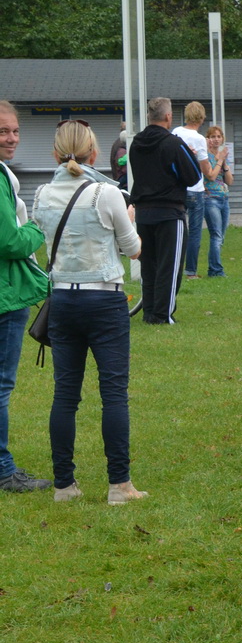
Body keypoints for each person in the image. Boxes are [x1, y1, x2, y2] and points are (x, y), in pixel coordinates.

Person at [32, 120, 147, 504]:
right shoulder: (106, 193)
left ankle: (64, 485)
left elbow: (41, 243)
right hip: (104, 299)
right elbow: (133, 250)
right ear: (94, 154)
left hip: (63, 299)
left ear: (54, 153)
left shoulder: (43, 193)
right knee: (114, 393)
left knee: (65, 395)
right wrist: (129, 222)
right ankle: (119, 485)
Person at [0, 100, 51, 492]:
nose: (12, 138)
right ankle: (3, 470)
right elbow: (11, 241)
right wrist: (37, 227)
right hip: (5, 296)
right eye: (3, 131)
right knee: (1, 386)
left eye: (15, 130)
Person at [128, 97, 203, 324]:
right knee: (169, 266)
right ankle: (162, 315)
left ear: (149, 117)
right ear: (168, 116)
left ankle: (150, 311)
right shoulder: (173, 143)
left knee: (148, 265)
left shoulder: (136, 143)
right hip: (170, 212)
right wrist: (189, 155)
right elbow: (193, 176)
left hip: (143, 212)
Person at [175, 103, 217, 280]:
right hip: (195, 189)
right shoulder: (199, 139)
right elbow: (206, 168)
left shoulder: (175, 132)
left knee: (177, 229)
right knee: (194, 231)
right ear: (202, 118)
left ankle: (175, 266)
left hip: (178, 187)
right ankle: (190, 271)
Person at [200, 124, 232, 277]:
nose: (216, 140)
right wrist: (219, 161)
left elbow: (230, 181)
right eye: (213, 137)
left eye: (219, 136)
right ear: (208, 139)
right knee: (216, 235)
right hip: (210, 198)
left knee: (222, 236)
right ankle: (215, 270)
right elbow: (211, 176)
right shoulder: (205, 156)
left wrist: (224, 163)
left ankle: (214, 267)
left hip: (224, 197)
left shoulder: (221, 156)